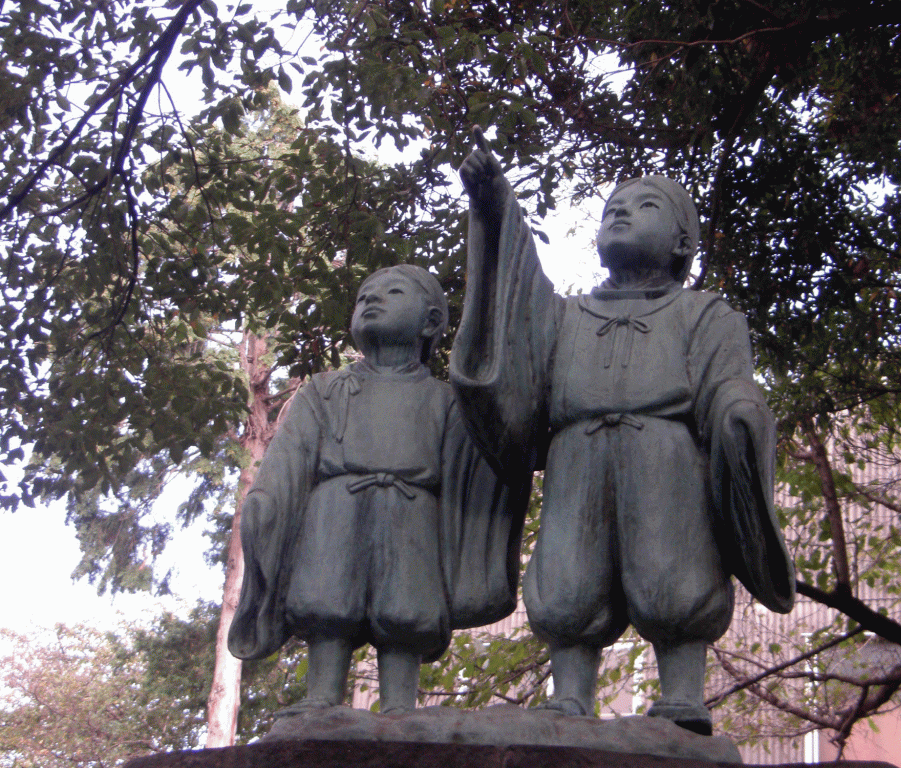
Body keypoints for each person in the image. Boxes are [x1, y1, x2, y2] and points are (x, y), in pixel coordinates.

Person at [451, 128, 795, 735]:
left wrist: (740, 409)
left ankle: (683, 693)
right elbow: (518, 292)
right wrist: (495, 204)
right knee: (567, 575)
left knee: (675, 571)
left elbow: (727, 383)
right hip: (576, 454)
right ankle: (569, 693)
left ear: (682, 241)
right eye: (613, 206)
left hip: (667, 459)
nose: (621, 211)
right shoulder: (565, 315)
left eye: (645, 205)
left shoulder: (702, 313)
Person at [228, 264, 528, 716]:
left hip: (412, 512)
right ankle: (321, 698)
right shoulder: (325, 391)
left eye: (392, 292)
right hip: (334, 510)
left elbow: (478, 465)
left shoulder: (446, 400)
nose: (371, 299)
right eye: (365, 294)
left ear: (430, 322)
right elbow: (290, 457)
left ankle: (399, 708)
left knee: (404, 610)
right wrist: (266, 501)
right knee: (327, 604)